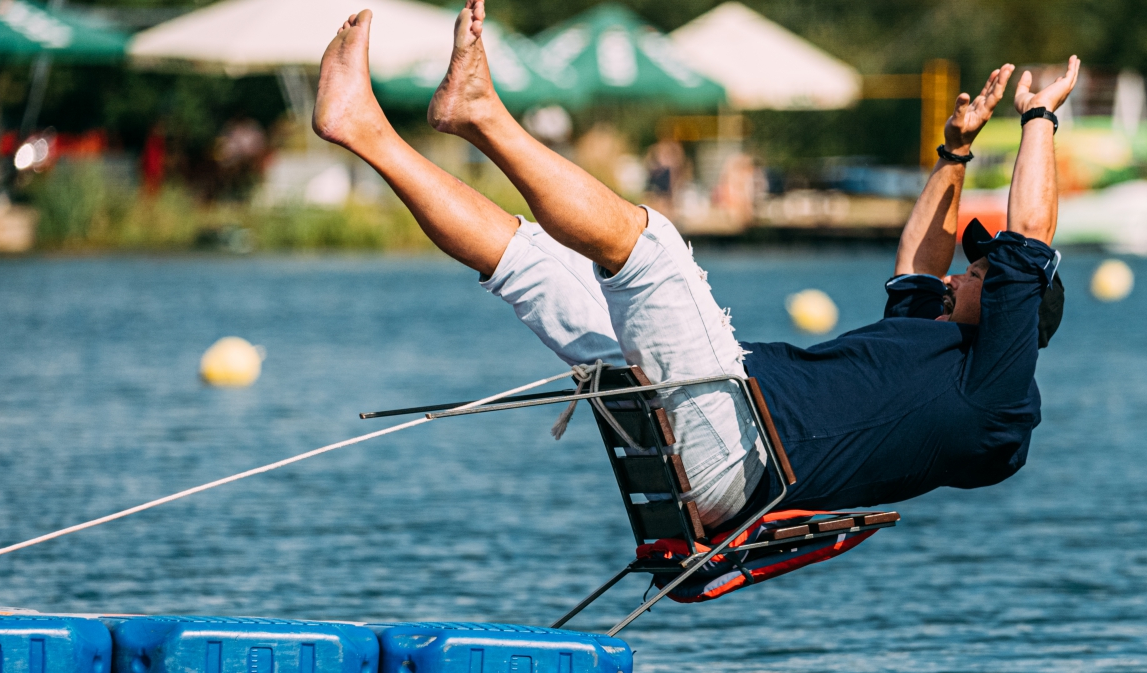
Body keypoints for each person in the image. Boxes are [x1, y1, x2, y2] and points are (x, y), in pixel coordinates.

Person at [312, 2, 1077, 529]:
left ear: (1016, 315)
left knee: (652, 251)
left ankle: (479, 114)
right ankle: (362, 127)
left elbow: (1030, 238)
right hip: (718, 430)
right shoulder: (933, 340)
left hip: (736, 444)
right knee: (534, 262)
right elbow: (917, 259)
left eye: (979, 277)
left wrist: (1039, 118)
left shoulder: (998, 393)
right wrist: (954, 151)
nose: (959, 277)